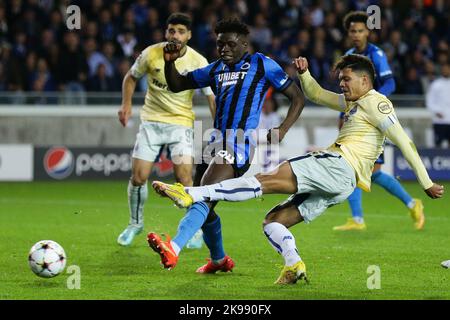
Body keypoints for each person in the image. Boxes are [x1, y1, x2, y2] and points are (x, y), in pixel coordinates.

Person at [153, 54, 444, 284]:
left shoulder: (377, 102)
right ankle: (293, 264)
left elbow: (405, 141)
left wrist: (426, 182)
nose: (341, 84)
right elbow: (317, 95)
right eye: (341, 79)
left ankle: (191, 192)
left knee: (266, 180)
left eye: (346, 79)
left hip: (338, 165)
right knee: (273, 222)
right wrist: (304, 74)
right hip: (344, 184)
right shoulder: (353, 103)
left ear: (365, 80)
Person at [147, 18, 304, 273]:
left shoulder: (262, 64)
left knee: (204, 194)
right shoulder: (216, 69)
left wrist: (282, 128)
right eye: (220, 45)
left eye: (230, 44)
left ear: (244, 43)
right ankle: (219, 260)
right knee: (204, 204)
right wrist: (169, 62)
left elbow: (297, 97)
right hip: (213, 142)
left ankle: (173, 248)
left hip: (239, 144)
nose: (224, 49)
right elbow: (177, 84)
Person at [116, 13, 216, 246]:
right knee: (138, 177)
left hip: (181, 124)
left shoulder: (198, 62)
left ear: (189, 35)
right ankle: (135, 224)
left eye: (181, 31)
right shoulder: (151, 53)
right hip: (151, 122)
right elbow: (130, 77)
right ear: (166, 32)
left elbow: (211, 97)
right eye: (172, 31)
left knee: (183, 178)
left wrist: (219, 127)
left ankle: (195, 230)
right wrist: (126, 104)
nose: (175, 35)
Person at [334, 11, 424, 231]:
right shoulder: (348, 54)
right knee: (370, 172)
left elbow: (390, 84)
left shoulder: (377, 55)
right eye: (352, 31)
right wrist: (341, 115)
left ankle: (359, 219)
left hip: (373, 118)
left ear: (368, 32)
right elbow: (346, 91)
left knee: (361, 169)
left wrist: (369, 101)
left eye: (360, 31)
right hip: (355, 118)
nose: (356, 35)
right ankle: (412, 204)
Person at [425, 62, 450, 148]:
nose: (446, 71)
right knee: (438, 145)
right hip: (439, 121)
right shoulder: (436, 84)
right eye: (444, 69)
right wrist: (436, 111)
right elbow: (429, 101)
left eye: (447, 69)